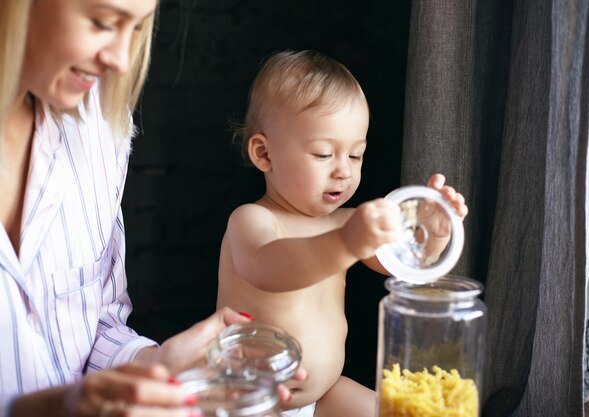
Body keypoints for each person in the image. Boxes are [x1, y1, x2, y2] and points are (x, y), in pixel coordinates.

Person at [0, 1, 304, 416]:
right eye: (103, 22)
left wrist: (158, 368)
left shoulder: (97, 131)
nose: (120, 60)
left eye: (138, 28)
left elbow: (95, 326)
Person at [217, 50, 468, 417]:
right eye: (323, 154)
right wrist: (346, 243)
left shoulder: (342, 224)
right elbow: (269, 269)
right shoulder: (252, 220)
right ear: (264, 153)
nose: (343, 172)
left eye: (355, 156)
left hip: (322, 398)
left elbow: (405, 265)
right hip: (250, 403)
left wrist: (432, 233)